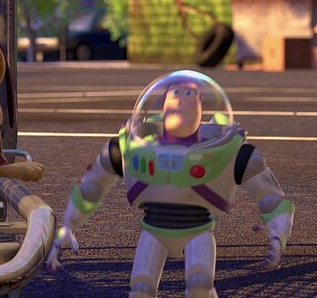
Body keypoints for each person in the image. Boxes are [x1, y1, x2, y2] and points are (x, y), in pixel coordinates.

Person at [47, 70, 294, 298]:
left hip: (198, 230)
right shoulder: (127, 149)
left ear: (200, 107)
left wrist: (279, 232)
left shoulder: (232, 153)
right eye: (175, 93)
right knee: (141, 287)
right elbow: (92, 187)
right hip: (153, 230)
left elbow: (270, 198)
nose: (181, 101)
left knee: (200, 285)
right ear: (163, 105)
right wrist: (68, 225)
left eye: (189, 95)